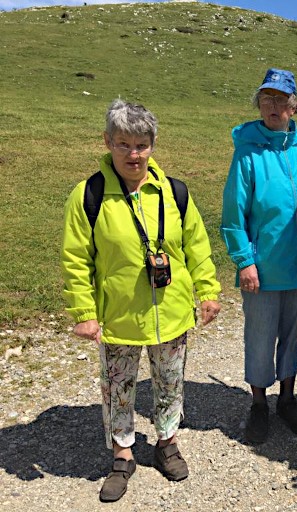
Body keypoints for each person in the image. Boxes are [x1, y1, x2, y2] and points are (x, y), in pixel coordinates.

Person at [61, 99, 222, 503]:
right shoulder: (89, 196)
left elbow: (196, 246)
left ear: (153, 144)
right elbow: (76, 259)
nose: (133, 154)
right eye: (123, 144)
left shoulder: (175, 192)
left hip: (170, 313)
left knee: (170, 381)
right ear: (107, 142)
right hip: (118, 317)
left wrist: (208, 291)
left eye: (141, 145)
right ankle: (122, 454)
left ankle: (166, 442)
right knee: (118, 386)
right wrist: (84, 313)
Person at [221, 68, 297, 444]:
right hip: (262, 271)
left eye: (281, 100)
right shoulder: (247, 155)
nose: (273, 106)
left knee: (293, 337)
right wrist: (245, 261)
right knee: (261, 338)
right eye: (267, 99)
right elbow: (233, 216)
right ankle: (259, 404)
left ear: (294, 107)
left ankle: (287, 399)